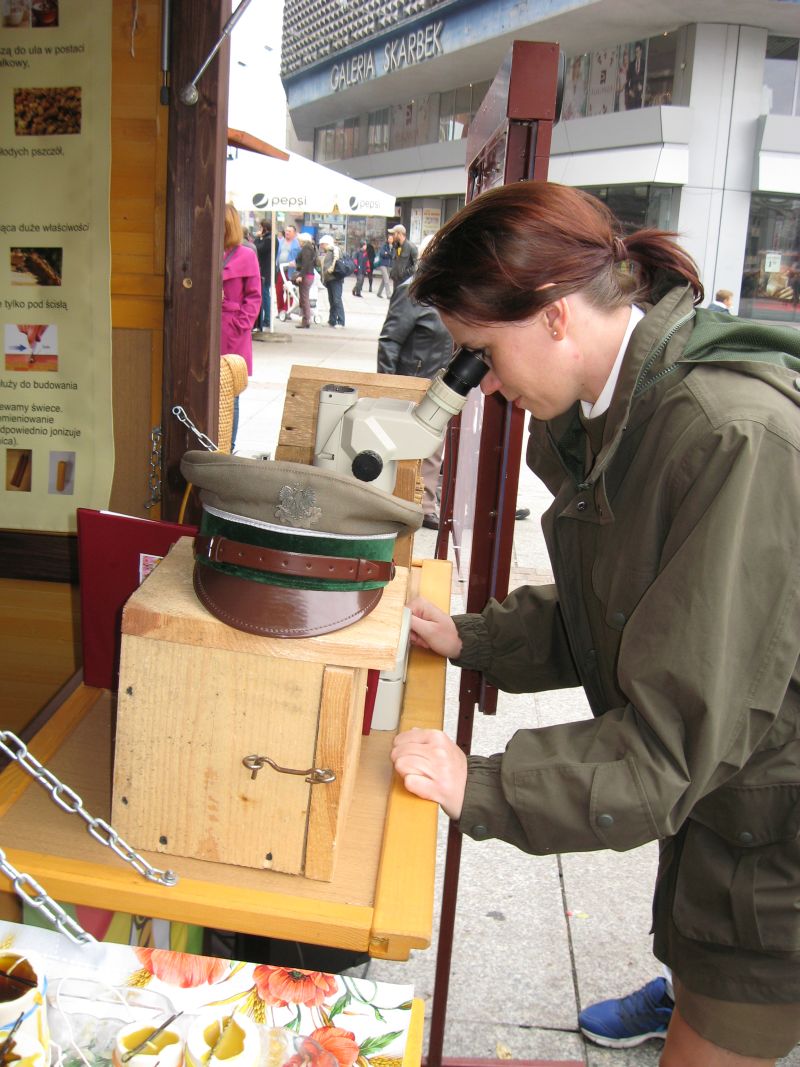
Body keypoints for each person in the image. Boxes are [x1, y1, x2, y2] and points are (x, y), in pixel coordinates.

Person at [390, 181, 800, 1066]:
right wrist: (475, 636)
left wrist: (481, 783)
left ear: (553, 314)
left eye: (482, 354)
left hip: (777, 843)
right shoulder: (624, 408)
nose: (485, 385)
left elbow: (668, 744)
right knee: (697, 975)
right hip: (730, 810)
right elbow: (627, 608)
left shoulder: (726, 435)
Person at [377, 235, 453, 529]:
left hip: (441, 380)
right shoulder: (412, 292)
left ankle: (425, 505)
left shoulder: (451, 292)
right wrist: (388, 387)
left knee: (434, 446)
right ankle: (402, 502)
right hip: (413, 378)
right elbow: (389, 341)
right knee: (406, 445)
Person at [221, 202, 261, 450]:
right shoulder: (207, 250)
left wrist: (240, 325)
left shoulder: (246, 255)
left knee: (231, 390)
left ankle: (228, 445)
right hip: (210, 329)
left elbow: (254, 296)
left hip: (233, 332)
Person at [318, 234, 345, 328]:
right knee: (332, 300)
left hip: (335, 278)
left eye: (322, 244)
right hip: (329, 279)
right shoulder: (328, 252)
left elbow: (336, 260)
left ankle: (341, 321)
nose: (321, 246)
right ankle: (332, 320)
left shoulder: (334, 249)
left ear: (327, 243)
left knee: (337, 299)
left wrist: (330, 269)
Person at [275, 224, 300, 320]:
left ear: (294, 233)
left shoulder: (297, 244)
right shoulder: (280, 241)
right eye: (286, 230)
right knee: (279, 291)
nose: (287, 232)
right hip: (280, 270)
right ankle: (280, 310)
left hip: (291, 271)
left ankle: (286, 311)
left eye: (289, 231)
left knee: (290, 291)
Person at [293, 231, 317, 329]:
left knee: (304, 298)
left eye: (299, 240)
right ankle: (305, 319)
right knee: (303, 298)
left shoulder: (306, 249)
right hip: (309, 275)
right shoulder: (310, 248)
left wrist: (300, 276)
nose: (298, 242)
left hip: (306, 276)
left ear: (303, 240)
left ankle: (306, 320)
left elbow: (306, 263)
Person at [254, 218, 272, 332]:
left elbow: (258, 248)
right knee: (264, 294)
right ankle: (265, 318)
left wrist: (257, 238)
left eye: (260, 227)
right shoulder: (267, 238)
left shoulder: (268, 239)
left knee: (265, 295)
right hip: (265, 269)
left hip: (265, 270)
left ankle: (267, 319)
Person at [375, 234, 394, 298]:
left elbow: (393, 255)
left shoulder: (394, 247)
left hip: (390, 266)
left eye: (392, 239)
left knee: (384, 280)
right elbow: (382, 253)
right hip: (383, 265)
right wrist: (389, 254)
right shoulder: (384, 246)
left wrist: (387, 253)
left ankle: (379, 293)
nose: (390, 240)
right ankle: (388, 294)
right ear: (387, 239)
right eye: (389, 238)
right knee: (387, 279)